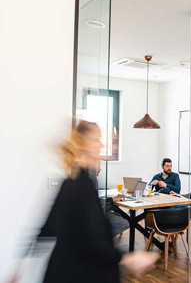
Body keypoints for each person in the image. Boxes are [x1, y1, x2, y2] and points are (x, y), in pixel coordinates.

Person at [38, 120, 159, 283]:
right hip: (78, 273)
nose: (101, 144)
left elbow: (50, 226)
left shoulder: (76, 179)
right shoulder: (79, 183)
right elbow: (92, 240)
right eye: (96, 139)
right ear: (82, 144)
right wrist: (128, 258)